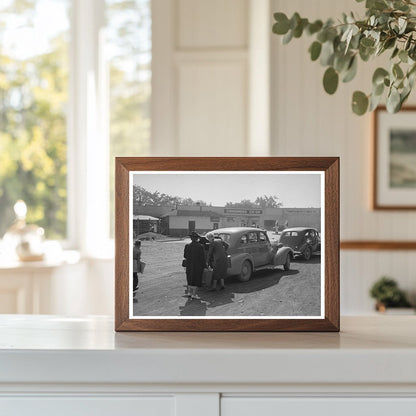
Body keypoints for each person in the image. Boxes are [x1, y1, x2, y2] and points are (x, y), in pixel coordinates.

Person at [183, 231, 206, 300]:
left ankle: (189, 293)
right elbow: (202, 258)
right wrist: (205, 266)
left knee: (190, 278)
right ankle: (194, 294)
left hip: (189, 265)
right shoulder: (200, 246)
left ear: (191, 238)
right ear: (197, 239)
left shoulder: (187, 246)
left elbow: (185, 256)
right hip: (197, 265)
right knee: (196, 279)